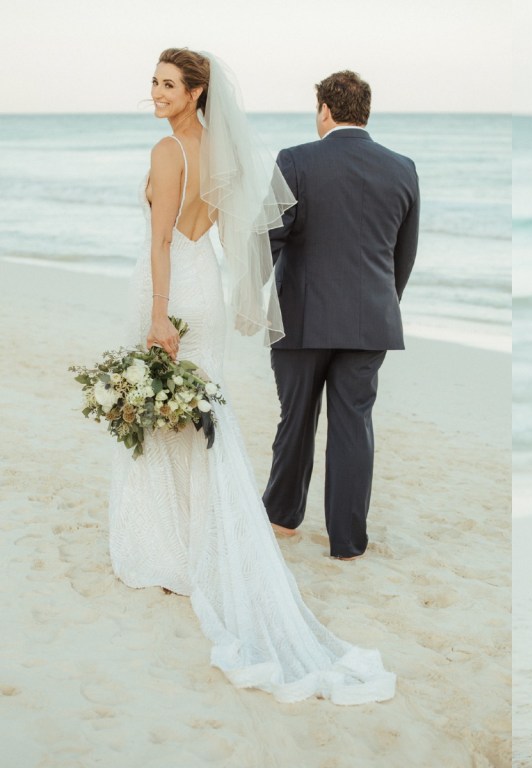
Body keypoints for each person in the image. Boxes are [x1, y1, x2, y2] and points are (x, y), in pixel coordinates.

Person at [107, 48, 395, 705]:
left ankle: (176, 546)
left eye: (167, 84)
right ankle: (227, 537)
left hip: (175, 285)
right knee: (203, 413)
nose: (154, 92)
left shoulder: (167, 151)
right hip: (209, 280)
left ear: (196, 91)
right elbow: (243, 232)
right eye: (153, 80)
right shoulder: (224, 152)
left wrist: (158, 315)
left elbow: (161, 241)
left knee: (166, 412)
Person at [261, 70, 420, 560]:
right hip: (371, 320)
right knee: (354, 428)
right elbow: (404, 253)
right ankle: (348, 543)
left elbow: (268, 237)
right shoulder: (403, 167)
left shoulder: (294, 160)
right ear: (364, 112)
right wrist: (378, 303)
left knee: (297, 420)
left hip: (301, 319)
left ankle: (282, 520)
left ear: (324, 111)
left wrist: (249, 297)